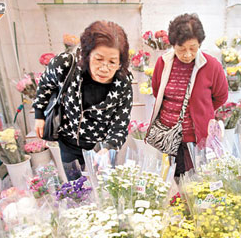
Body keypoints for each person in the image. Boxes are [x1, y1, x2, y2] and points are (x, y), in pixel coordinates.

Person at [33, 20, 133, 180]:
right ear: (87, 54)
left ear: (120, 61)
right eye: (98, 59)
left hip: (101, 148)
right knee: (75, 189)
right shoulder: (65, 64)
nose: (105, 68)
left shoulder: (122, 83)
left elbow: (120, 124)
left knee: (105, 190)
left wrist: (108, 149)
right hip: (69, 141)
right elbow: (45, 85)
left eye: (112, 62)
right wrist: (39, 116)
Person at [149, 13, 228, 177]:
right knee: (169, 180)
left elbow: (221, 96)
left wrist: (201, 110)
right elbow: (158, 91)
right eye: (181, 49)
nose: (187, 54)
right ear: (173, 45)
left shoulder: (211, 65)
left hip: (197, 139)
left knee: (195, 181)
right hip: (167, 136)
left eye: (193, 48)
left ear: (200, 43)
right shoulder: (163, 63)